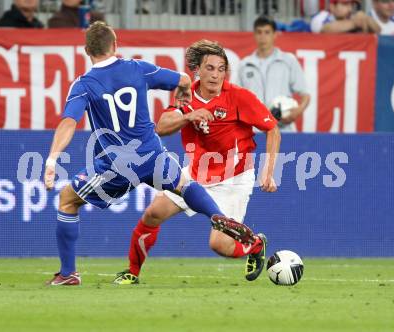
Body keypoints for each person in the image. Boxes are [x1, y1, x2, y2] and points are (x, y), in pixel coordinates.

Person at [43, 22, 255, 286]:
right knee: (183, 185)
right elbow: (184, 79)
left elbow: (68, 122)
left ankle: (67, 274)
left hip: (115, 166)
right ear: (115, 45)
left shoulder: (84, 84)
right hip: (152, 155)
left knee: (67, 200)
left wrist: (52, 159)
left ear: (87, 50)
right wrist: (184, 93)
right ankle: (216, 216)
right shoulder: (137, 68)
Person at [113, 39, 281, 285]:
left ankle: (255, 245)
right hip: (195, 174)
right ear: (197, 70)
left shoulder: (239, 97)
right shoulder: (186, 95)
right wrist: (189, 115)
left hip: (232, 179)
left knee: (219, 244)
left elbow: (272, 129)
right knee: (152, 214)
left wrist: (268, 172)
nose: (215, 75)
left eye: (221, 69)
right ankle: (132, 272)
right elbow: (161, 126)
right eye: (210, 68)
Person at [237, 16, 310, 133]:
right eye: (259, 32)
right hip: (254, 133)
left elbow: (305, 95)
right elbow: (235, 98)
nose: (263, 37)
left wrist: (297, 111)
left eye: (267, 32)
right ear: (254, 35)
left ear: (275, 34)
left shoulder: (288, 60)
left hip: (284, 131)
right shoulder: (244, 64)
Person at [310, 0, 381, 33]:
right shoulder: (321, 17)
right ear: (332, 7)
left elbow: (378, 32)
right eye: (345, 4)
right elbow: (326, 30)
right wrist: (355, 23)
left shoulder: (353, 17)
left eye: (351, 5)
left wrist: (366, 19)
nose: (350, 9)